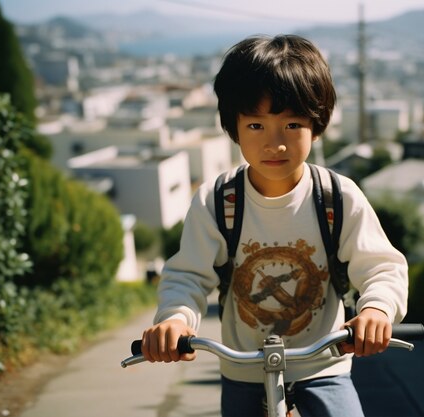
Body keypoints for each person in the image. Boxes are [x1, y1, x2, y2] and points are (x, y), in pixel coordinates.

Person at [141, 34, 408, 417]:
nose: (274, 143)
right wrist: (174, 321)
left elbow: (381, 266)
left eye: (292, 124)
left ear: (316, 125)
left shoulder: (337, 197)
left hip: (323, 364)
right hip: (244, 368)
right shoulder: (217, 202)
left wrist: (377, 311)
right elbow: (188, 276)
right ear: (233, 127)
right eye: (255, 126)